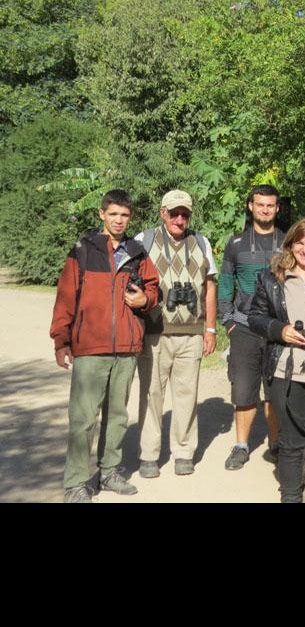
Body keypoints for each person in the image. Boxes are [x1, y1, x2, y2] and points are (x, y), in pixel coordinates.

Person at [50, 189, 159, 503]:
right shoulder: (83, 250)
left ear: (130, 217)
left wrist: (145, 299)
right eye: (113, 214)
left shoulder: (137, 252)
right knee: (83, 419)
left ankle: (109, 472)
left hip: (126, 347)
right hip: (90, 348)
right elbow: (65, 297)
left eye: (124, 215)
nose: (119, 220)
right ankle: (75, 483)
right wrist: (61, 340)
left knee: (118, 416)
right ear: (102, 214)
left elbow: (155, 288)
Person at [248, 217, 305, 502]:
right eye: (299, 242)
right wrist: (281, 330)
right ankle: (290, 497)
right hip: (284, 370)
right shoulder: (271, 277)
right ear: (290, 245)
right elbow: (255, 317)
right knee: (289, 442)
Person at [135, 190, 218, 478]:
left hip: (191, 333)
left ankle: (184, 452)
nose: (180, 219)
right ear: (163, 213)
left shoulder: (201, 242)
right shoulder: (144, 240)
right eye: (174, 213)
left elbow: (210, 286)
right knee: (151, 394)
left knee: (187, 394)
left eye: (185, 214)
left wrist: (210, 329)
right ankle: (148, 454)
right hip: (154, 333)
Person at [218, 184, 285, 470]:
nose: (265, 210)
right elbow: (225, 281)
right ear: (251, 206)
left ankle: (277, 444)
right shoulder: (236, 243)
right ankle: (241, 446)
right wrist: (227, 320)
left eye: (270, 205)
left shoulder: (288, 241)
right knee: (243, 389)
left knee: (274, 389)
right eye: (260, 205)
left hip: (277, 327)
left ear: (277, 208)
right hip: (244, 326)